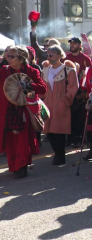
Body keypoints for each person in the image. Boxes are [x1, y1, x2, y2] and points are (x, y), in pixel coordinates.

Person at [0, 46, 47, 178]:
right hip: (8, 109)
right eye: (7, 56)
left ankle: (22, 166)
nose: (7, 59)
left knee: (23, 139)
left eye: (11, 56)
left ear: (21, 59)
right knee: (10, 140)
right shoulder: (4, 70)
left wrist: (29, 85)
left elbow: (43, 88)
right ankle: (14, 166)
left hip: (24, 109)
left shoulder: (32, 71)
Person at [41, 45, 79, 165]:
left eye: (51, 54)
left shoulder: (68, 70)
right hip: (48, 103)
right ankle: (57, 153)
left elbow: (73, 86)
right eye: (48, 55)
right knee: (49, 132)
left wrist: (67, 98)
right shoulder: (46, 70)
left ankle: (60, 156)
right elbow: (43, 86)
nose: (49, 57)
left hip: (61, 103)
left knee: (59, 131)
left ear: (59, 56)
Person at [65, 37, 92, 148]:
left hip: (81, 91)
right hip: (68, 89)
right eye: (71, 43)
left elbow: (89, 75)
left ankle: (79, 137)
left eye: (74, 43)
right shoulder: (66, 58)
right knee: (68, 115)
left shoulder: (86, 59)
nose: (72, 45)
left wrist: (85, 93)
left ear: (79, 46)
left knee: (79, 116)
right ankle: (69, 137)